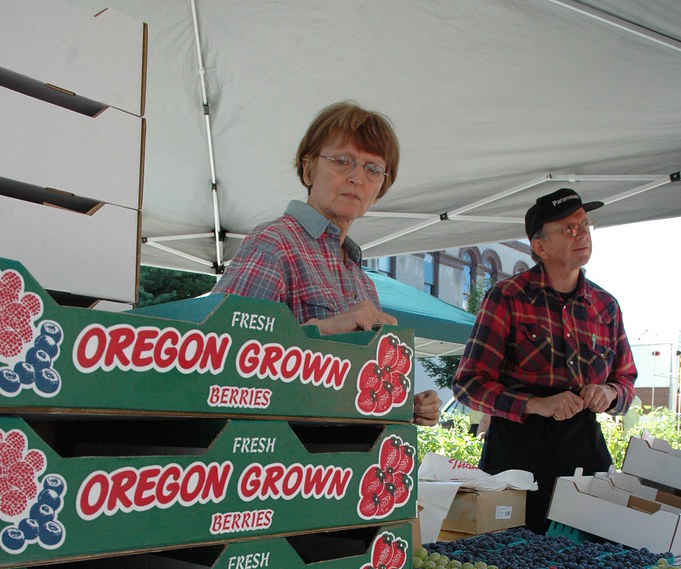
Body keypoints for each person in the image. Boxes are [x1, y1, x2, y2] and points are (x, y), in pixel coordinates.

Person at [213, 101, 441, 427]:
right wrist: (327, 328)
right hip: (276, 461)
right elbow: (219, 351)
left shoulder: (362, 281)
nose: (356, 177)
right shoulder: (276, 243)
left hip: (336, 463)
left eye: (372, 169)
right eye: (341, 161)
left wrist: (405, 403)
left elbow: (356, 391)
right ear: (308, 169)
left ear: (379, 191)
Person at [451, 188, 638, 533]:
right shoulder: (506, 298)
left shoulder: (605, 306)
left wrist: (609, 393)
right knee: (509, 568)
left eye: (584, 224)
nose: (581, 233)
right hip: (516, 459)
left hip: (585, 457)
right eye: (568, 228)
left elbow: (626, 380)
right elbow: (468, 386)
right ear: (540, 247)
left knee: (590, 568)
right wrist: (536, 404)